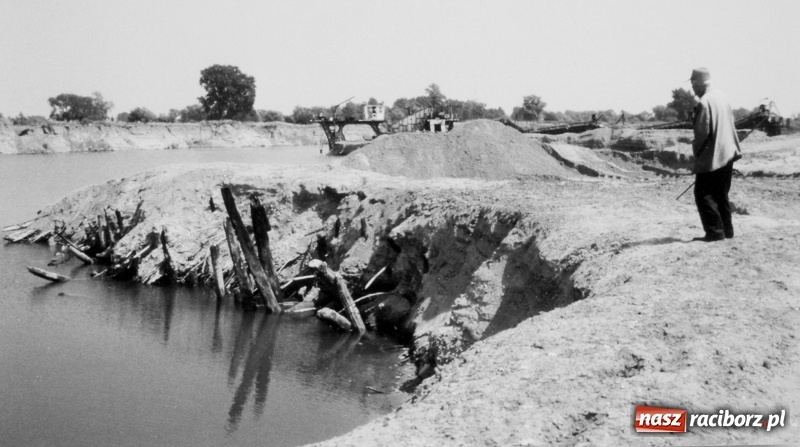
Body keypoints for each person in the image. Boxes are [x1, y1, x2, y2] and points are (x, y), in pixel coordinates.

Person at [689, 67, 742, 242]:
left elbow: (702, 134)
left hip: (713, 156)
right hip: (729, 153)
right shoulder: (722, 96)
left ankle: (714, 233)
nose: (692, 88)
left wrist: (696, 153)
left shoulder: (704, 102)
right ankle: (727, 231)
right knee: (721, 193)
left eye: (692, 83)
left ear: (698, 83)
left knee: (703, 194)